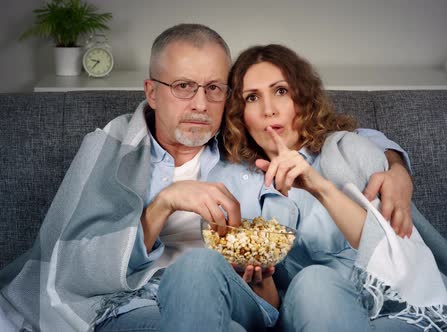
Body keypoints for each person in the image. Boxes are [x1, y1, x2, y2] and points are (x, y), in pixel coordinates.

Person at [0, 24, 414, 332]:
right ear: (152, 92)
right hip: (132, 301)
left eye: (215, 88)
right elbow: (73, 263)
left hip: (234, 294)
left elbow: (329, 137)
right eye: (184, 86)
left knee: (202, 273)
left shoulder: (241, 149)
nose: (201, 104)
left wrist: (395, 166)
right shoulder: (113, 147)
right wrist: (164, 203)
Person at [209, 44, 447, 332]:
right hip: (308, 313)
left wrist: (319, 185)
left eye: (280, 90)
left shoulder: (348, 152)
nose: (269, 108)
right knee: (315, 282)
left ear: (302, 97)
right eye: (252, 97)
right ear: (240, 115)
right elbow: (269, 304)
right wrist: (261, 282)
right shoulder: (234, 184)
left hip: (391, 308)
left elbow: (395, 251)